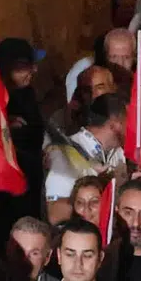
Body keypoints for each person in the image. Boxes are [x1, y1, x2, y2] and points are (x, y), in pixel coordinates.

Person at [44, 93, 128, 222]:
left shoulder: (119, 155)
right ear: (115, 124)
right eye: (130, 121)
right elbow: (55, 214)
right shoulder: (64, 153)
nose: (135, 129)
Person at [2, 216, 58, 281]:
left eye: (34, 253)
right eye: (19, 251)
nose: (25, 260)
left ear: (47, 257)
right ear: (8, 250)